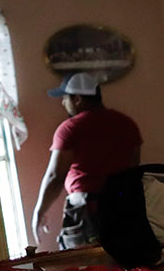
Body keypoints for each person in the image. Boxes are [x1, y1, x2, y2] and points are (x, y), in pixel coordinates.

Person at [30, 72, 142, 249]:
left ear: (77, 99)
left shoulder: (70, 129)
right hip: (125, 205)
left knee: (88, 268)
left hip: (88, 211)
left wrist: (39, 211)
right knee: (125, 261)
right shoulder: (127, 124)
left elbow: (55, 177)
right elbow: (134, 167)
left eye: (65, 98)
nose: (62, 103)